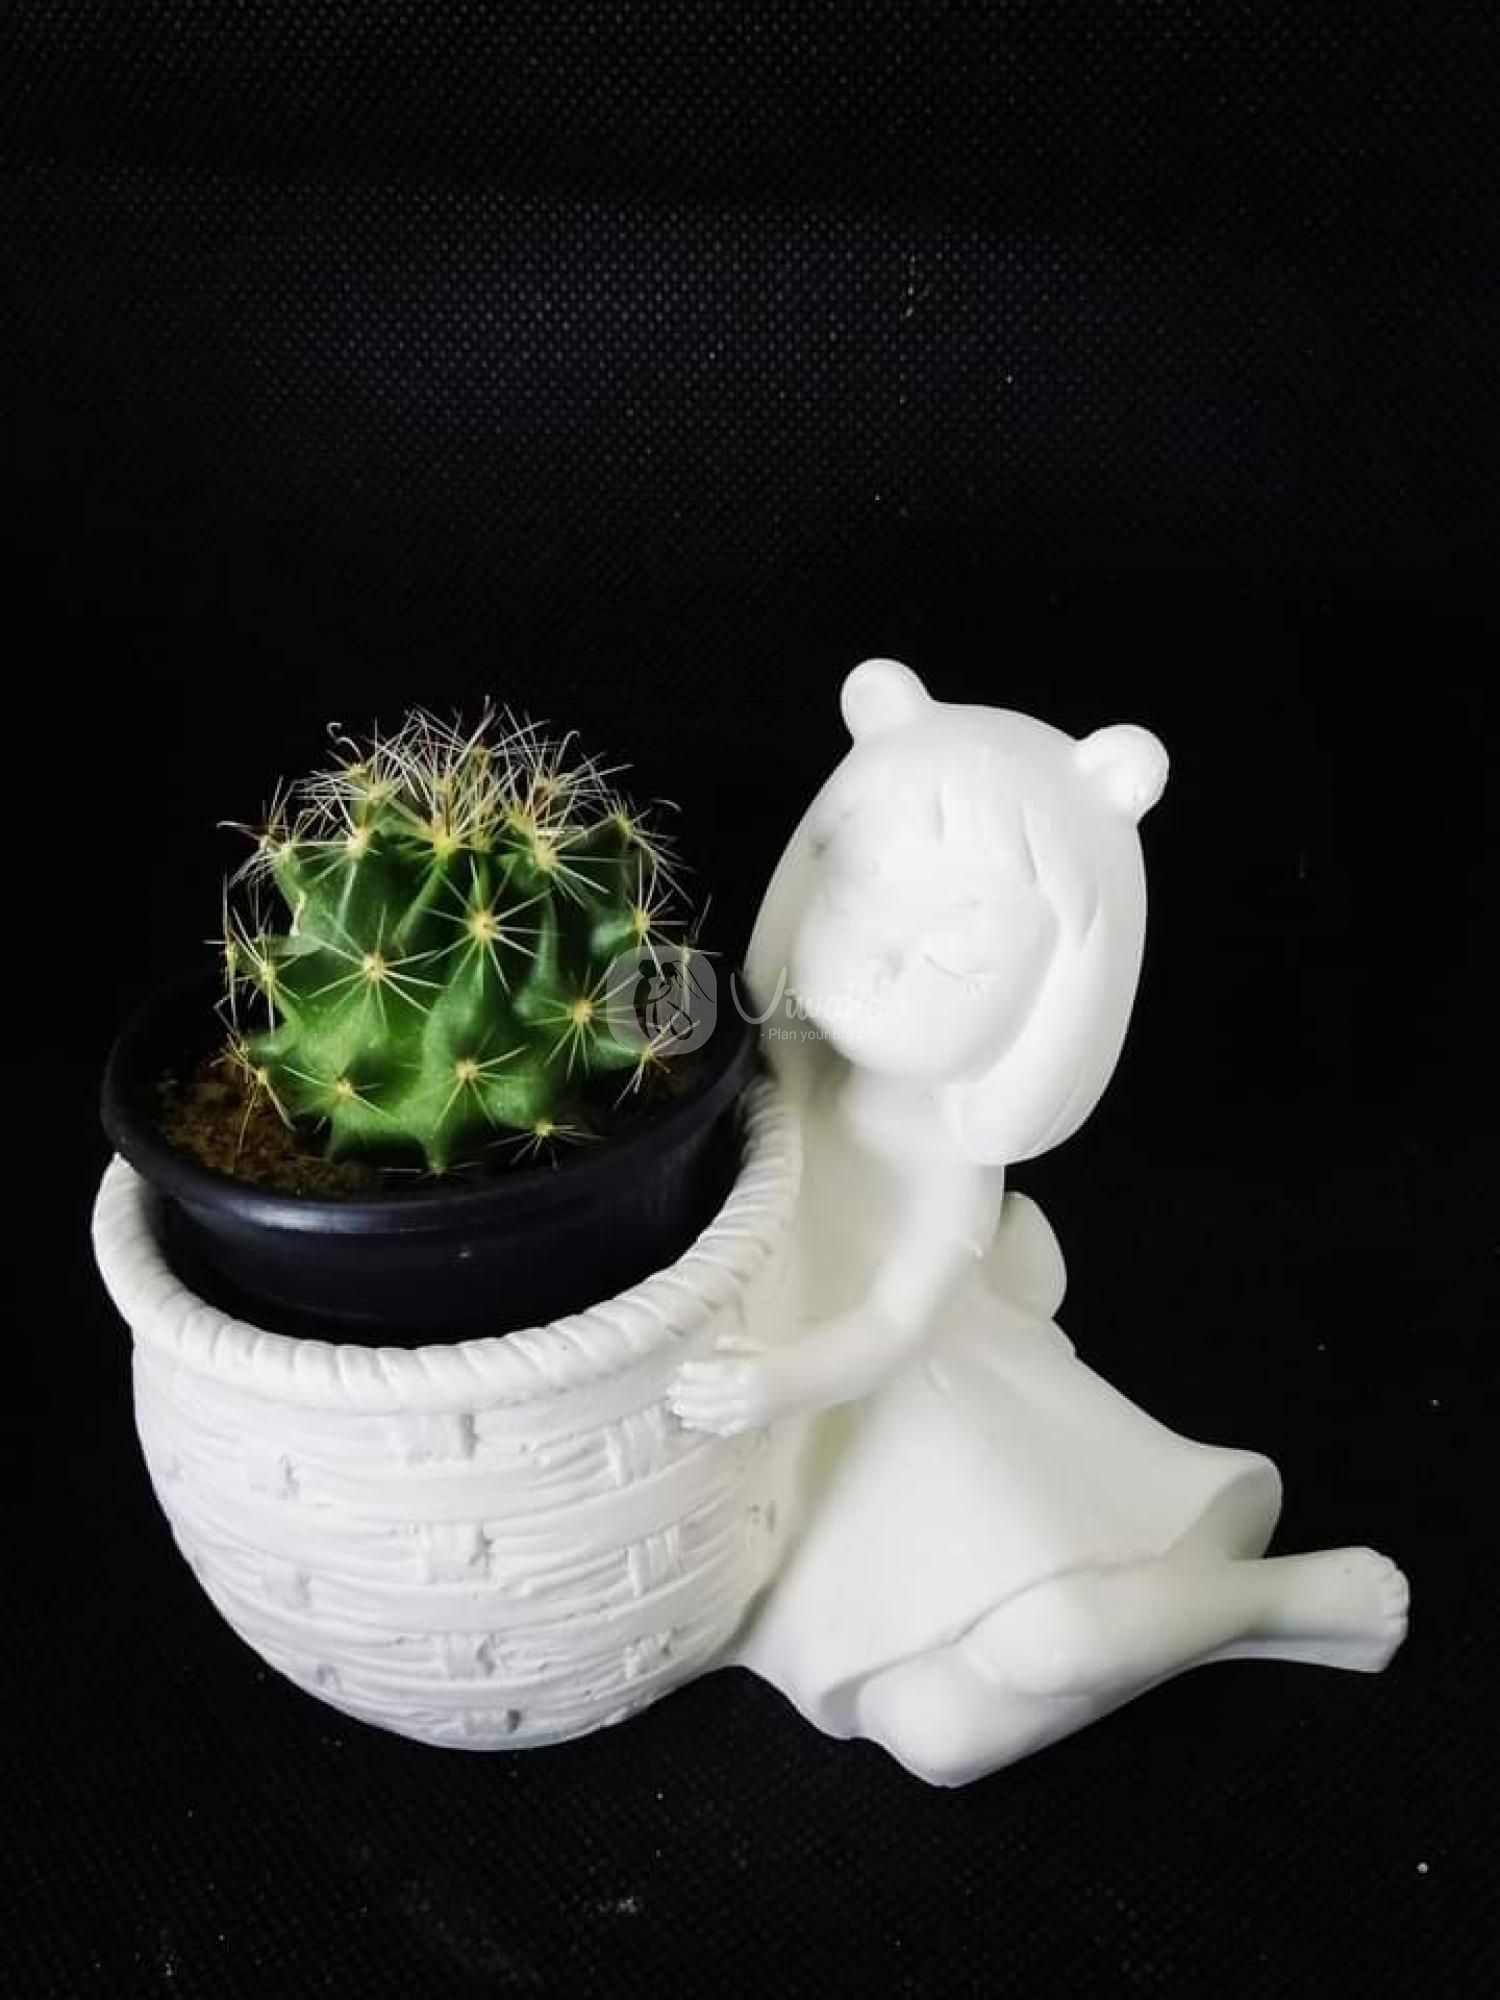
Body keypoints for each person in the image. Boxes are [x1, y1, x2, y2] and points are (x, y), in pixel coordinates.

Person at [668, 659, 1408, 1787]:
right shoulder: (780, 1078)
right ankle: (1203, 1615)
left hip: (909, 1417)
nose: (880, 958)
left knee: (1051, 1643)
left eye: (954, 955)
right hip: (815, 1475)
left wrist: (781, 1381)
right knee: (939, 1739)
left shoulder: (946, 1156)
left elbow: (897, 1322)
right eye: (857, 902)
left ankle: (1263, 1598)